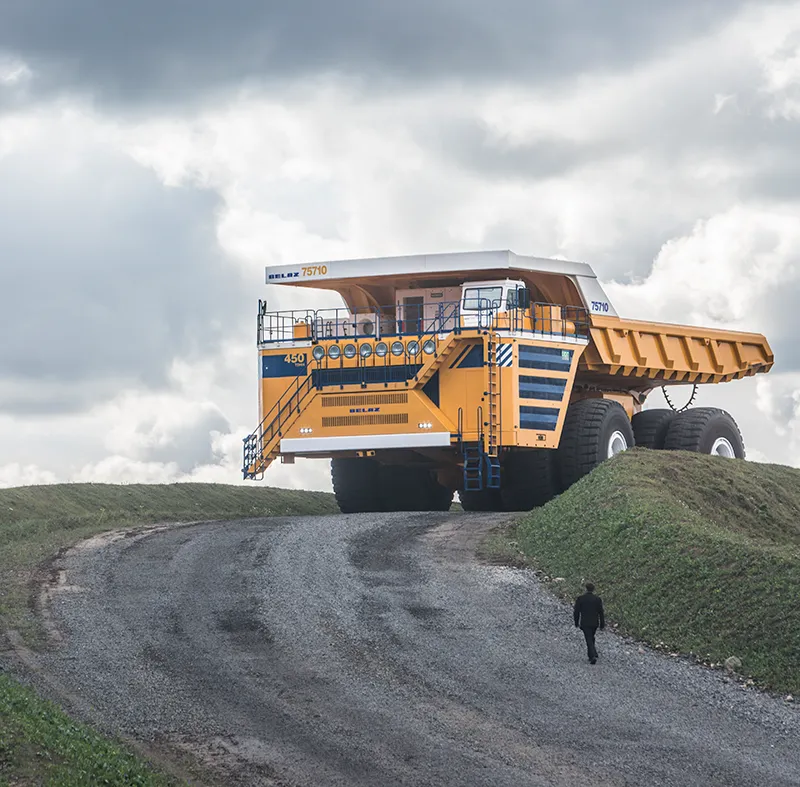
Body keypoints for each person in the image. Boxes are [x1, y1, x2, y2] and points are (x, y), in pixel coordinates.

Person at [574, 582, 605, 664]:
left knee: (588, 638)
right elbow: (601, 612)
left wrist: (576, 622)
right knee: (591, 637)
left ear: (586, 589)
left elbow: (576, 611)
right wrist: (602, 624)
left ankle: (592, 656)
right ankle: (593, 652)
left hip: (585, 622)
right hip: (595, 623)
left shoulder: (581, 599)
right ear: (593, 589)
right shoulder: (597, 599)